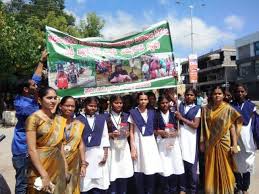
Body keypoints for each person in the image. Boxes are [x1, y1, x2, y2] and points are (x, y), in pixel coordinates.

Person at [11, 50, 47, 194]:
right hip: (23, 152)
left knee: (34, 181)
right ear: (26, 90)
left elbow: (36, 77)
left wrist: (42, 60)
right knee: (23, 183)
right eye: (33, 86)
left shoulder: (29, 95)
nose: (36, 85)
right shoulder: (22, 105)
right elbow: (40, 116)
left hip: (34, 148)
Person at [200, 86, 242, 194]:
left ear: (223, 95)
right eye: (215, 93)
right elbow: (203, 128)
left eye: (219, 93)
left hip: (224, 143)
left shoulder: (228, 109)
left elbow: (232, 127)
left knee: (227, 168)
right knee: (211, 168)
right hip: (210, 143)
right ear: (211, 95)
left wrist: (234, 144)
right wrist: (202, 142)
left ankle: (227, 190)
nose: (217, 95)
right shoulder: (205, 109)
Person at [26, 87, 68, 194]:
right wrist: (44, 175)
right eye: (49, 98)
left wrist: (66, 167)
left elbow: (60, 145)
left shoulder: (58, 119)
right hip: (40, 165)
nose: (53, 101)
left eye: (55, 98)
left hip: (58, 165)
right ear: (40, 100)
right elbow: (31, 150)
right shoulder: (33, 119)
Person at [128, 92, 162, 194]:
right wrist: (133, 148)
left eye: (145, 99)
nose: (143, 102)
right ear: (138, 100)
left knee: (150, 169)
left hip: (150, 144)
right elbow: (131, 132)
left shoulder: (152, 112)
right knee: (139, 170)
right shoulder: (133, 112)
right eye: (141, 99)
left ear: (148, 100)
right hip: (138, 144)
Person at [77, 97, 110, 194]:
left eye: (95, 106)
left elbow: (105, 136)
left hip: (98, 152)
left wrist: (105, 154)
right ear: (85, 106)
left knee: (99, 183)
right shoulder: (78, 119)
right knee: (85, 182)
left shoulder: (101, 118)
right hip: (85, 153)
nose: (93, 108)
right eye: (90, 105)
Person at [155, 95, 185, 194]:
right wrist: (160, 132)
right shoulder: (156, 114)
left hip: (173, 143)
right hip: (162, 144)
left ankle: (173, 189)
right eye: (162, 103)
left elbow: (178, 128)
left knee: (174, 165)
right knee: (165, 166)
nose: (165, 105)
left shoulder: (174, 114)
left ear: (169, 103)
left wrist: (175, 133)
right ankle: (166, 190)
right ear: (159, 104)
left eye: (166, 102)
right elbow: (154, 130)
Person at [231, 84, 257, 194]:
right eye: (237, 91)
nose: (240, 93)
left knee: (247, 164)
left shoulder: (251, 106)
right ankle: (239, 186)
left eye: (242, 91)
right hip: (235, 139)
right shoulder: (231, 105)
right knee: (236, 164)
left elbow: (255, 124)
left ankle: (245, 188)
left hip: (248, 139)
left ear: (246, 93)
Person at [175, 88, 201, 194]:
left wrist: (181, 118)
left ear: (195, 97)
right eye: (187, 95)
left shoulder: (197, 108)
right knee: (181, 165)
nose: (188, 97)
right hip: (180, 139)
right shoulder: (180, 105)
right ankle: (182, 188)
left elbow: (195, 125)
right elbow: (171, 94)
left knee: (191, 167)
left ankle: (193, 189)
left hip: (191, 140)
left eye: (191, 95)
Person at [106, 95, 134, 194]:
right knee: (113, 172)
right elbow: (102, 134)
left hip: (123, 147)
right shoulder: (105, 116)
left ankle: (123, 192)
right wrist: (110, 134)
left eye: (120, 103)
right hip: (112, 147)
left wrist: (126, 134)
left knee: (123, 172)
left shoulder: (126, 115)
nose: (119, 105)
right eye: (116, 103)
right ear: (111, 103)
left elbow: (130, 131)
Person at [58, 96, 86, 194]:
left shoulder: (78, 124)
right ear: (61, 106)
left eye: (72, 106)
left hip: (74, 163)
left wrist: (83, 164)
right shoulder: (54, 123)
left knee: (73, 189)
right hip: (58, 163)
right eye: (67, 106)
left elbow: (81, 144)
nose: (70, 108)